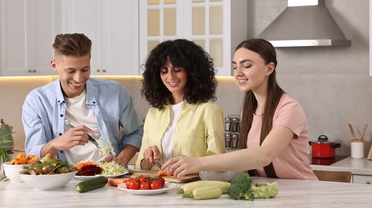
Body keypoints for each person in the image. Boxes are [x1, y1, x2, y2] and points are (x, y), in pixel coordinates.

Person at [163, 38, 318, 180]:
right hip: (270, 191)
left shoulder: (289, 108)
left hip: (301, 189)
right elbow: (248, 160)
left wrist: (199, 162)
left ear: (269, 69)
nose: (238, 73)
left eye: (247, 65)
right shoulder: (250, 110)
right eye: (235, 66)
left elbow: (264, 154)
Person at [22, 33, 143, 166]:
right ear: (54, 65)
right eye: (71, 71)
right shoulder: (37, 101)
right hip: (62, 179)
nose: (78, 79)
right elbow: (32, 154)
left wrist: (122, 159)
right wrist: (56, 144)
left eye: (85, 69)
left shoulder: (115, 92)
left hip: (109, 177)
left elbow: (136, 132)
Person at [136, 39, 226, 170]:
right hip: (158, 188)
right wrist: (148, 158)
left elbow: (218, 165)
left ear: (192, 71)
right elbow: (142, 168)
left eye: (177, 69)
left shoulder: (209, 111)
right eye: (164, 70)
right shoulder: (153, 113)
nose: (170, 76)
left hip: (192, 188)